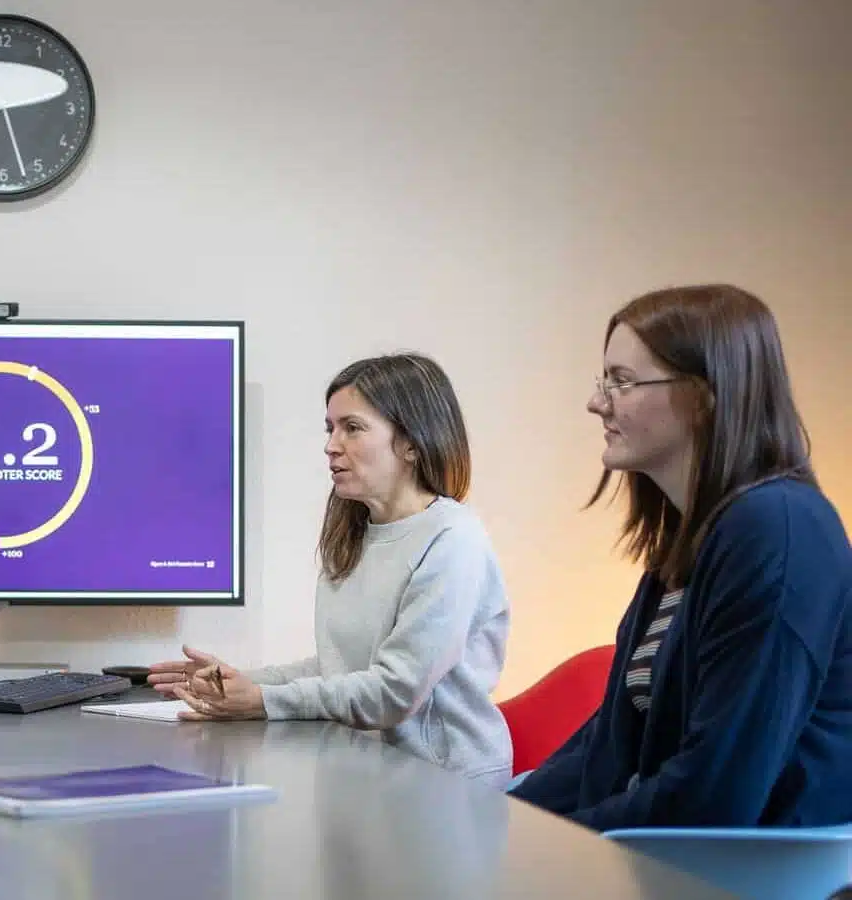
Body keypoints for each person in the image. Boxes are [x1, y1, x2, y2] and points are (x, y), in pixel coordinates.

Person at [510, 284, 852, 830]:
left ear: (704, 395)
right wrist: (496, 818)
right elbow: (606, 747)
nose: (597, 402)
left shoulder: (778, 530)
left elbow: (715, 796)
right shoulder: (695, 538)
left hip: (743, 871)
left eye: (621, 382)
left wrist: (549, 840)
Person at [148, 353, 513, 786]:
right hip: (365, 769)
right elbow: (339, 667)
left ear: (412, 443)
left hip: (444, 783)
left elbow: (394, 693)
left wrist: (263, 700)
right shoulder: (354, 534)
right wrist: (237, 682)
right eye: (330, 428)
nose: (330, 445)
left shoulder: (453, 539)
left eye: (352, 428)